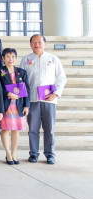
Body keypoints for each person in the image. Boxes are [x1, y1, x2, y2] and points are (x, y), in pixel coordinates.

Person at [20, 34, 67, 165]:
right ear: (30, 44)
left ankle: (50, 155)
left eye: (39, 42)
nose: (37, 44)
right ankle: (33, 154)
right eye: (34, 42)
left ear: (44, 44)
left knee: (49, 129)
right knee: (33, 129)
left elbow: (62, 78)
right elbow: (21, 81)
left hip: (49, 101)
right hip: (32, 100)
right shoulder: (26, 60)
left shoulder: (53, 59)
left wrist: (56, 94)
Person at [0, 48, 31, 165]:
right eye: (7, 56)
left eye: (12, 57)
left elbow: (27, 89)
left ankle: (14, 153)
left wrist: (27, 105)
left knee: (16, 130)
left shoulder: (22, 72)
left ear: (15, 58)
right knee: (5, 129)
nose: (10, 59)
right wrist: (8, 93)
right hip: (5, 105)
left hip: (19, 105)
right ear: (3, 58)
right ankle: (7, 153)